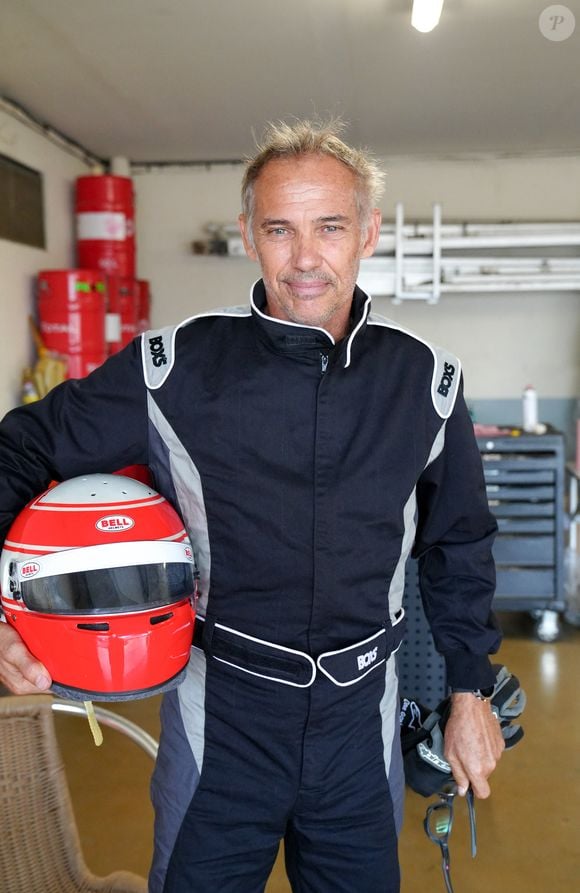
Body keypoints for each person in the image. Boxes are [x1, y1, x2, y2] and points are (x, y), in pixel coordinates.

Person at [0, 119, 505, 892]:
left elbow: (458, 544)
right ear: (248, 235)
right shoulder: (175, 370)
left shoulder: (425, 382)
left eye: (329, 227)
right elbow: (20, 448)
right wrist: (5, 616)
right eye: (280, 229)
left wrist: (468, 689)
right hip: (220, 722)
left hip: (358, 729)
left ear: (367, 233)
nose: (306, 258)